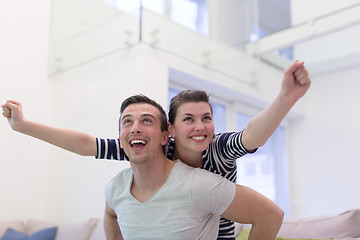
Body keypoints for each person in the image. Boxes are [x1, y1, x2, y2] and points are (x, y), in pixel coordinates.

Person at [1, 60, 311, 239]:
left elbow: (252, 136)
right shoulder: (151, 151)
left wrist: (285, 99)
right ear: (171, 132)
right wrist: (24, 127)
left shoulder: (217, 149)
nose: (200, 127)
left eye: (207, 118)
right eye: (188, 119)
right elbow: (86, 145)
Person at [103, 94, 283, 239]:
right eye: (127, 121)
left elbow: (252, 137)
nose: (135, 128)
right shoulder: (115, 187)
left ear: (165, 136)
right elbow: (90, 146)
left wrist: (286, 96)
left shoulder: (211, 160)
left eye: (147, 121)